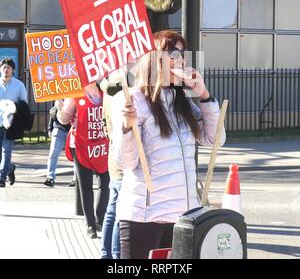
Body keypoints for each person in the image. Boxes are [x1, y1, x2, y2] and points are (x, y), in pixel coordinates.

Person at [110, 30, 226, 259]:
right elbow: (125, 162)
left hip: (182, 215)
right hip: (144, 216)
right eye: (174, 53)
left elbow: (215, 140)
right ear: (153, 58)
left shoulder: (182, 104)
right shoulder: (133, 100)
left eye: (183, 54)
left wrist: (203, 95)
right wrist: (126, 127)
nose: (181, 61)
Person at [56, 83, 110, 238]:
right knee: (85, 186)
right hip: (80, 146)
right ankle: (90, 224)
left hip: (102, 145)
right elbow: (64, 120)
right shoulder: (74, 93)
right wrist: (60, 106)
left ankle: (100, 216)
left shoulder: (105, 91)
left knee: (106, 183)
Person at [99, 75, 123, 259]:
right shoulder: (118, 90)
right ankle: (114, 254)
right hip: (122, 158)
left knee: (112, 209)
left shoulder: (107, 90)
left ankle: (106, 252)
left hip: (115, 156)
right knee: (119, 212)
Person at [0, 57, 28, 188]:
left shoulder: (19, 85)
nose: (6, 70)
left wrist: (14, 106)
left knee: (7, 151)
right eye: (4, 67)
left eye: (9, 68)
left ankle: (1, 177)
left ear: (13, 70)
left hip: (10, 123)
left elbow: (24, 103)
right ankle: (10, 168)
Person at [44, 104, 71, 187]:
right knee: (53, 154)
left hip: (72, 128)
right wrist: (50, 127)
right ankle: (50, 177)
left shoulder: (75, 93)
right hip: (58, 128)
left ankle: (76, 178)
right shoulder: (58, 93)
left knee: (76, 156)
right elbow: (53, 111)